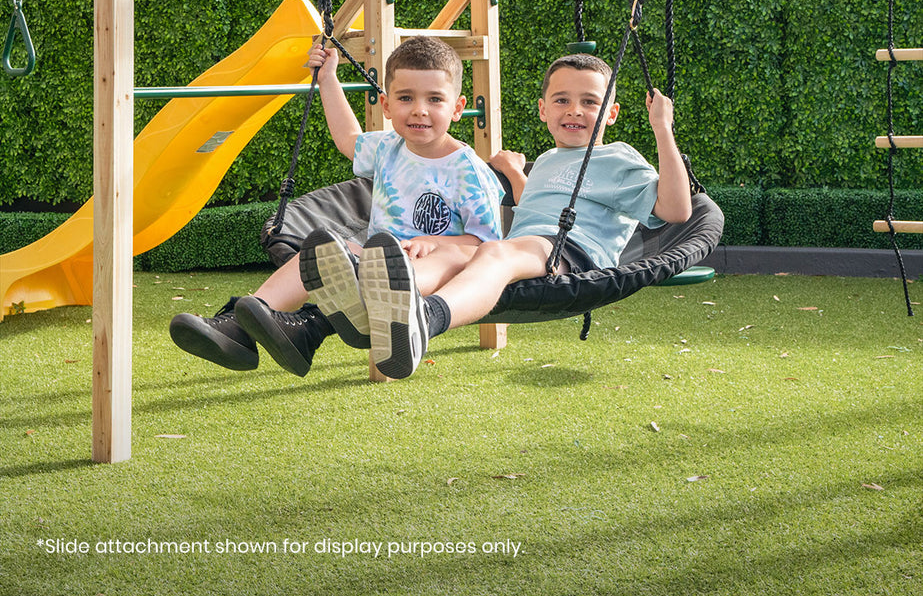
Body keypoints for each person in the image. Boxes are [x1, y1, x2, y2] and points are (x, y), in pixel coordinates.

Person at [305, 53, 694, 379]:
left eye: (590, 102)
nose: (574, 110)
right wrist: (513, 172)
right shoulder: (548, 160)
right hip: (525, 252)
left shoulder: (617, 158)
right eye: (561, 100)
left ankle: (426, 320)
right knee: (450, 254)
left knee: (493, 251)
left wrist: (662, 129)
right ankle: (352, 311)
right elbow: (534, 206)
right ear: (543, 109)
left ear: (611, 113)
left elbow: (677, 209)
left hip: (572, 255)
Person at [169, 35, 503, 378]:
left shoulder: (468, 171)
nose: (420, 109)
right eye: (406, 98)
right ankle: (238, 327)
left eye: (435, 99)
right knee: (319, 254)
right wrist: (327, 78)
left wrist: (434, 242)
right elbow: (347, 139)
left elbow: (486, 247)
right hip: (378, 262)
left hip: (434, 270)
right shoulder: (387, 148)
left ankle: (313, 325)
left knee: (405, 267)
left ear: (457, 108)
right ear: (386, 105)